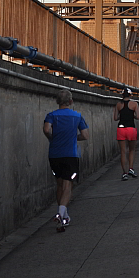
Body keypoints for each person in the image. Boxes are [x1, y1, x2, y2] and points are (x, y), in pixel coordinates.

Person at [43, 89, 89, 232]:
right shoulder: (77, 116)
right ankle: (60, 213)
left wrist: (53, 138)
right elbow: (85, 135)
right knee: (68, 186)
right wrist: (74, 138)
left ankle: (64, 217)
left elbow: (46, 129)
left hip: (54, 154)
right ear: (71, 101)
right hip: (71, 154)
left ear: (57, 101)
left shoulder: (51, 115)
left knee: (59, 184)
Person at [114, 87, 139, 180]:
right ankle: (131, 168)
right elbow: (138, 117)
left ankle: (124, 173)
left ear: (122, 95)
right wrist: (131, 115)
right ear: (130, 95)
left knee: (123, 151)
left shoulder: (118, 104)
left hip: (121, 128)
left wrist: (122, 115)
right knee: (132, 150)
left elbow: (115, 118)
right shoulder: (134, 104)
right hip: (131, 128)